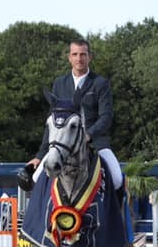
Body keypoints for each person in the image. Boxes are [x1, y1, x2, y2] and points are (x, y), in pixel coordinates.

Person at [23, 38, 123, 191]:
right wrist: (39, 155)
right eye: (75, 54)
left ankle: (117, 214)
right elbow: (52, 124)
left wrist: (88, 135)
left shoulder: (100, 83)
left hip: (95, 143)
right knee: (36, 179)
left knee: (116, 179)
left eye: (83, 54)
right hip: (63, 143)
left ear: (90, 57)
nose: (79, 58)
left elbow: (106, 117)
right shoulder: (59, 83)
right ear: (69, 57)